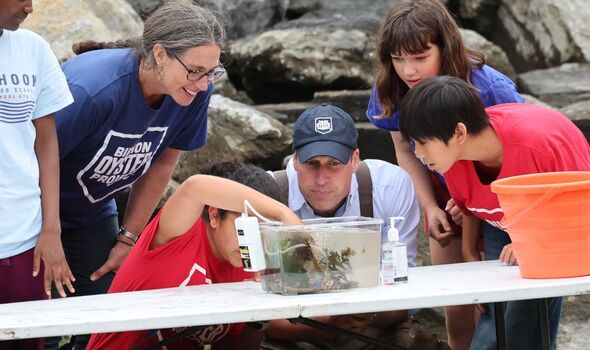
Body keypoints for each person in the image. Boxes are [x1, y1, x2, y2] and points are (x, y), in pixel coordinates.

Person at [49, 2, 226, 348]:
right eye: (196, 71)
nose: (204, 85)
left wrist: (128, 238)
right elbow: (33, 165)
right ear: (160, 54)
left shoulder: (191, 92)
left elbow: (163, 161)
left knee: (108, 322)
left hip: (91, 211)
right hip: (32, 210)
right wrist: (49, 234)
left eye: (212, 72)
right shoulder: (92, 89)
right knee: (41, 326)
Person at [365, 0, 524, 347]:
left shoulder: (491, 88)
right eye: (397, 58)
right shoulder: (390, 89)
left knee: (499, 298)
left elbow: (516, 147)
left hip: (499, 196)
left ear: (445, 46)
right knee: (456, 302)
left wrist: (472, 197)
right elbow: (405, 149)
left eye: (420, 57)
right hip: (443, 195)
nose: (408, 70)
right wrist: (430, 207)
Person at [398, 76, 590, 350]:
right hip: (505, 225)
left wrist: (531, 243)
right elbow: (472, 205)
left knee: (520, 322)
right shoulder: (449, 159)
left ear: (459, 134)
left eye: (423, 143)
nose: (417, 153)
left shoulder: (541, 145)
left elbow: (582, 205)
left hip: (563, 227)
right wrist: (469, 252)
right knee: (491, 319)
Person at [265, 104, 447, 350]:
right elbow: (254, 312)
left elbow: (404, 291)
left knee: (414, 342)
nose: (321, 179)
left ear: (354, 159)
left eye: (334, 164)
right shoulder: (267, 194)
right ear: (295, 161)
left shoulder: (389, 185)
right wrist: (323, 323)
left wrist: (364, 316)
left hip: (369, 326)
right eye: (312, 164)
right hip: (293, 328)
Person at [86, 159, 302, 350]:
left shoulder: (246, 268)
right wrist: (283, 213)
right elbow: (195, 186)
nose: (256, 241)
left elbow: (229, 345)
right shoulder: (179, 233)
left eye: (265, 230)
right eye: (248, 226)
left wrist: (259, 319)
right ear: (215, 215)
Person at [0, 1, 75, 349]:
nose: (30, 6)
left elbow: (47, 145)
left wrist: (51, 230)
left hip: (24, 242)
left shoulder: (33, 49)